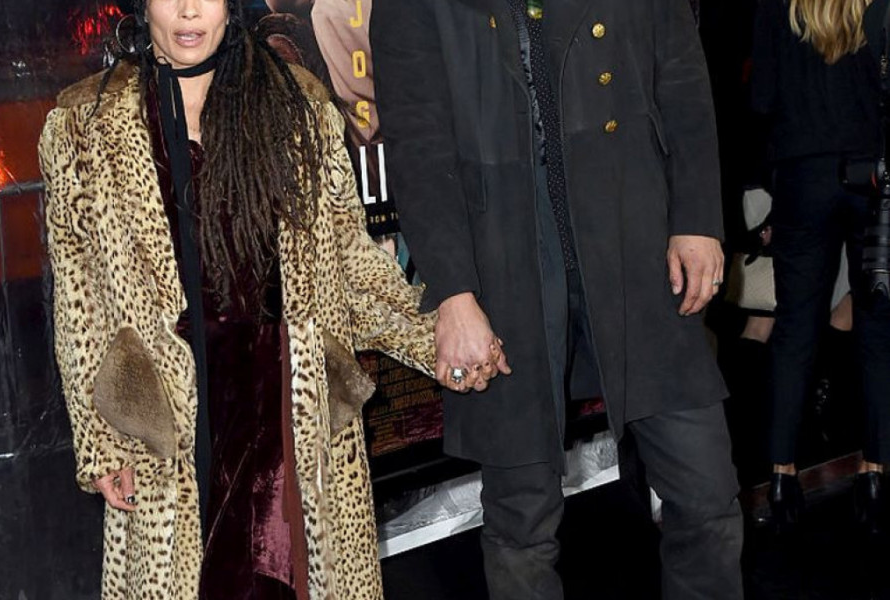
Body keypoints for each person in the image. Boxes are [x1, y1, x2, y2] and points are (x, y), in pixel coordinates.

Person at [37, 0, 456, 597]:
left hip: (287, 411)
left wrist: (441, 335)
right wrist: (102, 442)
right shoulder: (84, 127)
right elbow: (79, 303)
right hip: (169, 429)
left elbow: (350, 261)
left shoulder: (297, 107)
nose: (188, 11)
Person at [371, 1, 744, 599]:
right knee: (521, 522)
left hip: (636, 245)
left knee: (707, 494)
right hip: (504, 267)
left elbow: (681, 78)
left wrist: (697, 219)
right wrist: (454, 296)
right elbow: (419, 147)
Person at [752, 0, 890, 534]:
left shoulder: (775, 5)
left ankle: (781, 477)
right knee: (877, 326)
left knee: (794, 327)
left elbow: (762, 96)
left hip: (801, 173)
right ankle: (874, 474)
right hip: (871, 175)